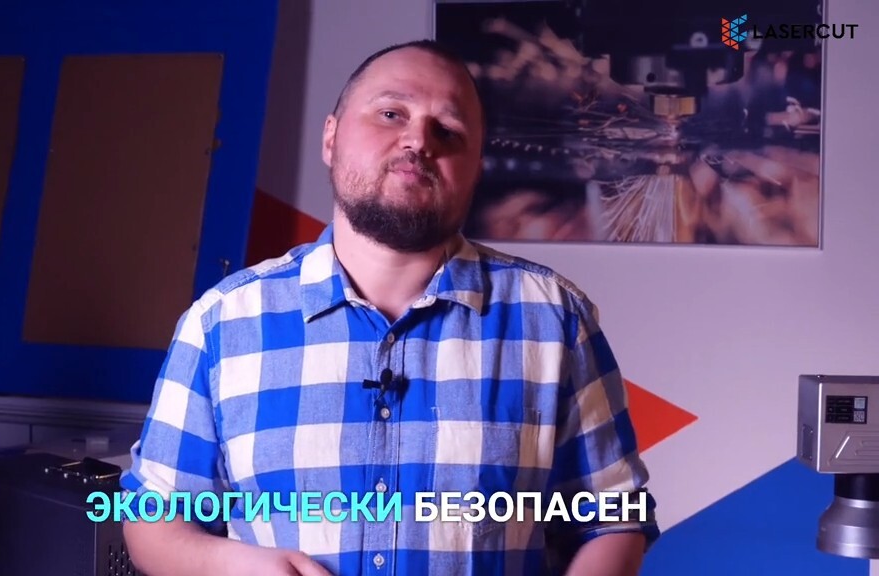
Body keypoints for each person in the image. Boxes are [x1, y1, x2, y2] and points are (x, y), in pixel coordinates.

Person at [119, 39, 660, 576]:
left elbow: (614, 519)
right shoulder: (221, 323)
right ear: (331, 137)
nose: (418, 141)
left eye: (447, 130)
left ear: (476, 168)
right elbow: (153, 518)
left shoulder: (555, 320)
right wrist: (236, 567)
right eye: (391, 113)